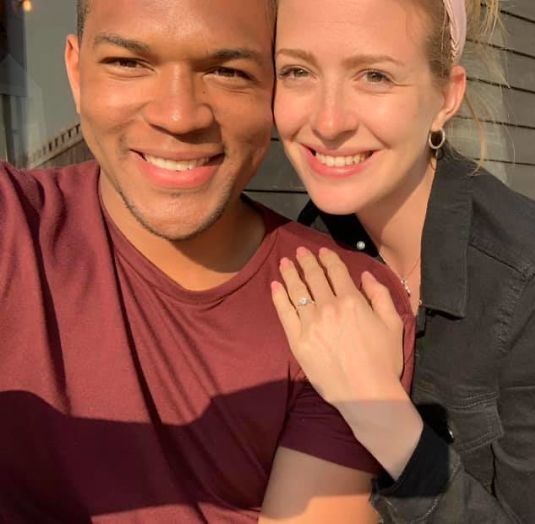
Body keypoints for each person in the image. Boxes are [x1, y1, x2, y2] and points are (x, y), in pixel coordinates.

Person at [270, 0, 535, 521]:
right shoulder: (314, 244)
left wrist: (376, 408)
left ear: (446, 97)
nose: (327, 120)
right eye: (297, 71)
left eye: (375, 76)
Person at [0, 0, 415, 521]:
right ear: (76, 72)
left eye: (227, 71)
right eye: (128, 63)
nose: (178, 116)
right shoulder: (15, 226)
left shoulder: (343, 304)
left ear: (274, 90)